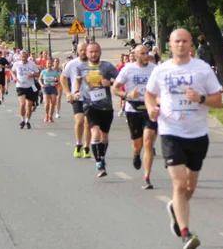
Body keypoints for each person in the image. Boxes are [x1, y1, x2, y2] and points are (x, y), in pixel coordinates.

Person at [145, 28, 223, 249]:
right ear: (169, 44)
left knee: (189, 187)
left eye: (185, 41)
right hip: (171, 131)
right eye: (176, 41)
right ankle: (185, 233)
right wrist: (151, 109)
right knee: (179, 184)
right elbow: (150, 95)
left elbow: (218, 100)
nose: (180, 45)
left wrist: (199, 98)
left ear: (191, 45)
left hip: (198, 133)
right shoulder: (161, 70)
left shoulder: (202, 69)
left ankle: (175, 208)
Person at [115, 45, 159, 189]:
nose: (146, 55)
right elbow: (115, 88)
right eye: (143, 53)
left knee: (148, 140)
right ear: (135, 55)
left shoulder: (155, 69)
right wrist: (128, 95)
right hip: (133, 108)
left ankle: (147, 177)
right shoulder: (128, 69)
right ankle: (136, 154)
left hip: (149, 107)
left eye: (147, 53)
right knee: (138, 144)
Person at [72, 41, 119, 177]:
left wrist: (109, 83)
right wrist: (75, 92)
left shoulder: (107, 66)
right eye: (90, 52)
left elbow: (120, 80)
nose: (93, 54)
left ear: (100, 52)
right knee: (96, 133)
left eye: (96, 51)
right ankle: (98, 163)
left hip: (106, 106)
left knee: (104, 137)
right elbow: (78, 81)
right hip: (89, 105)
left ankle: (102, 157)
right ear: (86, 53)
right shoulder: (81, 67)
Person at [63, 43, 94, 160]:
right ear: (77, 51)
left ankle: (86, 147)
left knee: (88, 123)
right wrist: (67, 93)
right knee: (80, 121)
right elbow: (63, 77)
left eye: (85, 50)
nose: (83, 52)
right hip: (77, 97)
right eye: (81, 50)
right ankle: (78, 144)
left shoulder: (93, 63)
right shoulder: (72, 64)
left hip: (90, 97)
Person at [12, 50, 41, 129]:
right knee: (22, 104)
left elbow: (38, 73)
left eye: (25, 57)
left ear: (28, 56)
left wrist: (33, 75)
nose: (24, 58)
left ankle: (27, 120)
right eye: (22, 57)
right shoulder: (16, 64)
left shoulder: (32, 64)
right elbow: (12, 71)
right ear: (20, 57)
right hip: (20, 85)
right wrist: (14, 77)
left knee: (29, 106)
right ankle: (22, 119)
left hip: (30, 86)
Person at [40, 58, 62, 123]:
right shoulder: (43, 72)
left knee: (53, 103)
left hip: (53, 88)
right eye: (48, 63)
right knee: (46, 103)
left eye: (50, 63)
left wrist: (55, 83)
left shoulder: (54, 72)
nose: (49, 65)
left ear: (52, 64)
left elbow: (58, 80)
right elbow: (40, 79)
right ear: (46, 64)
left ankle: (51, 116)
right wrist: (42, 84)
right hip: (46, 87)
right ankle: (46, 115)